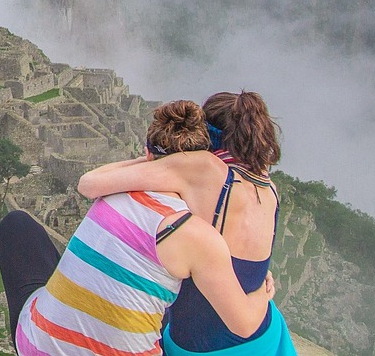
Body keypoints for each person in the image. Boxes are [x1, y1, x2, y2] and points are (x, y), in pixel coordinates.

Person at [0, 100, 274, 355]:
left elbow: (89, 182)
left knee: (17, 225)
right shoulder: (200, 239)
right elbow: (245, 324)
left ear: (147, 154)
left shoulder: (113, 191)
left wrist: (157, 162)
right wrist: (264, 292)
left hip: (40, 348)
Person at [77, 91, 294, 355]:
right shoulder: (268, 188)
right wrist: (261, 287)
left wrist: (153, 160)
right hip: (266, 336)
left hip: (200, 346)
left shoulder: (202, 168)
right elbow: (249, 267)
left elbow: (90, 184)